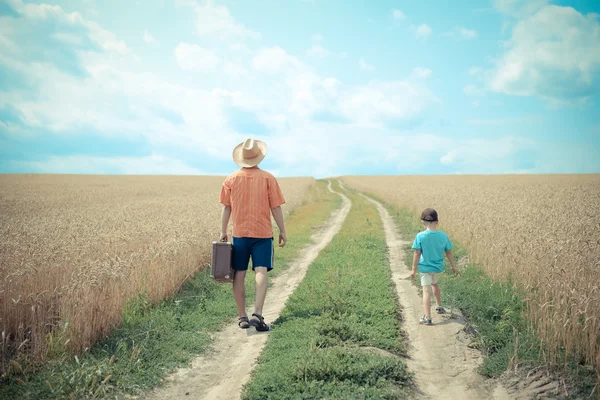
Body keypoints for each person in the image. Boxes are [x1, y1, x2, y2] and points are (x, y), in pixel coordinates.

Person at [219, 138, 287, 332]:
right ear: (259, 157)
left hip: (239, 234)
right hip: (263, 234)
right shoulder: (268, 178)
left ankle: (242, 317)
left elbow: (226, 208)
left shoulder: (231, 179)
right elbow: (276, 207)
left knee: (239, 273)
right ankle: (257, 314)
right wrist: (282, 230)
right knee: (261, 270)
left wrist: (223, 231)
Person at [410, 208, 459, 325]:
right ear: (437, 221)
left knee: (426, 291)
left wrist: (413, 270)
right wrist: (453, 267)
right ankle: (439, 306)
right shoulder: (443, 235)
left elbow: (417, 253)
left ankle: (428, 317)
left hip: (425, 268)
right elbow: (449, 252)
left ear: (422, 222)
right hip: (437, 268)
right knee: (434, 284)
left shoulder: (420, 236)